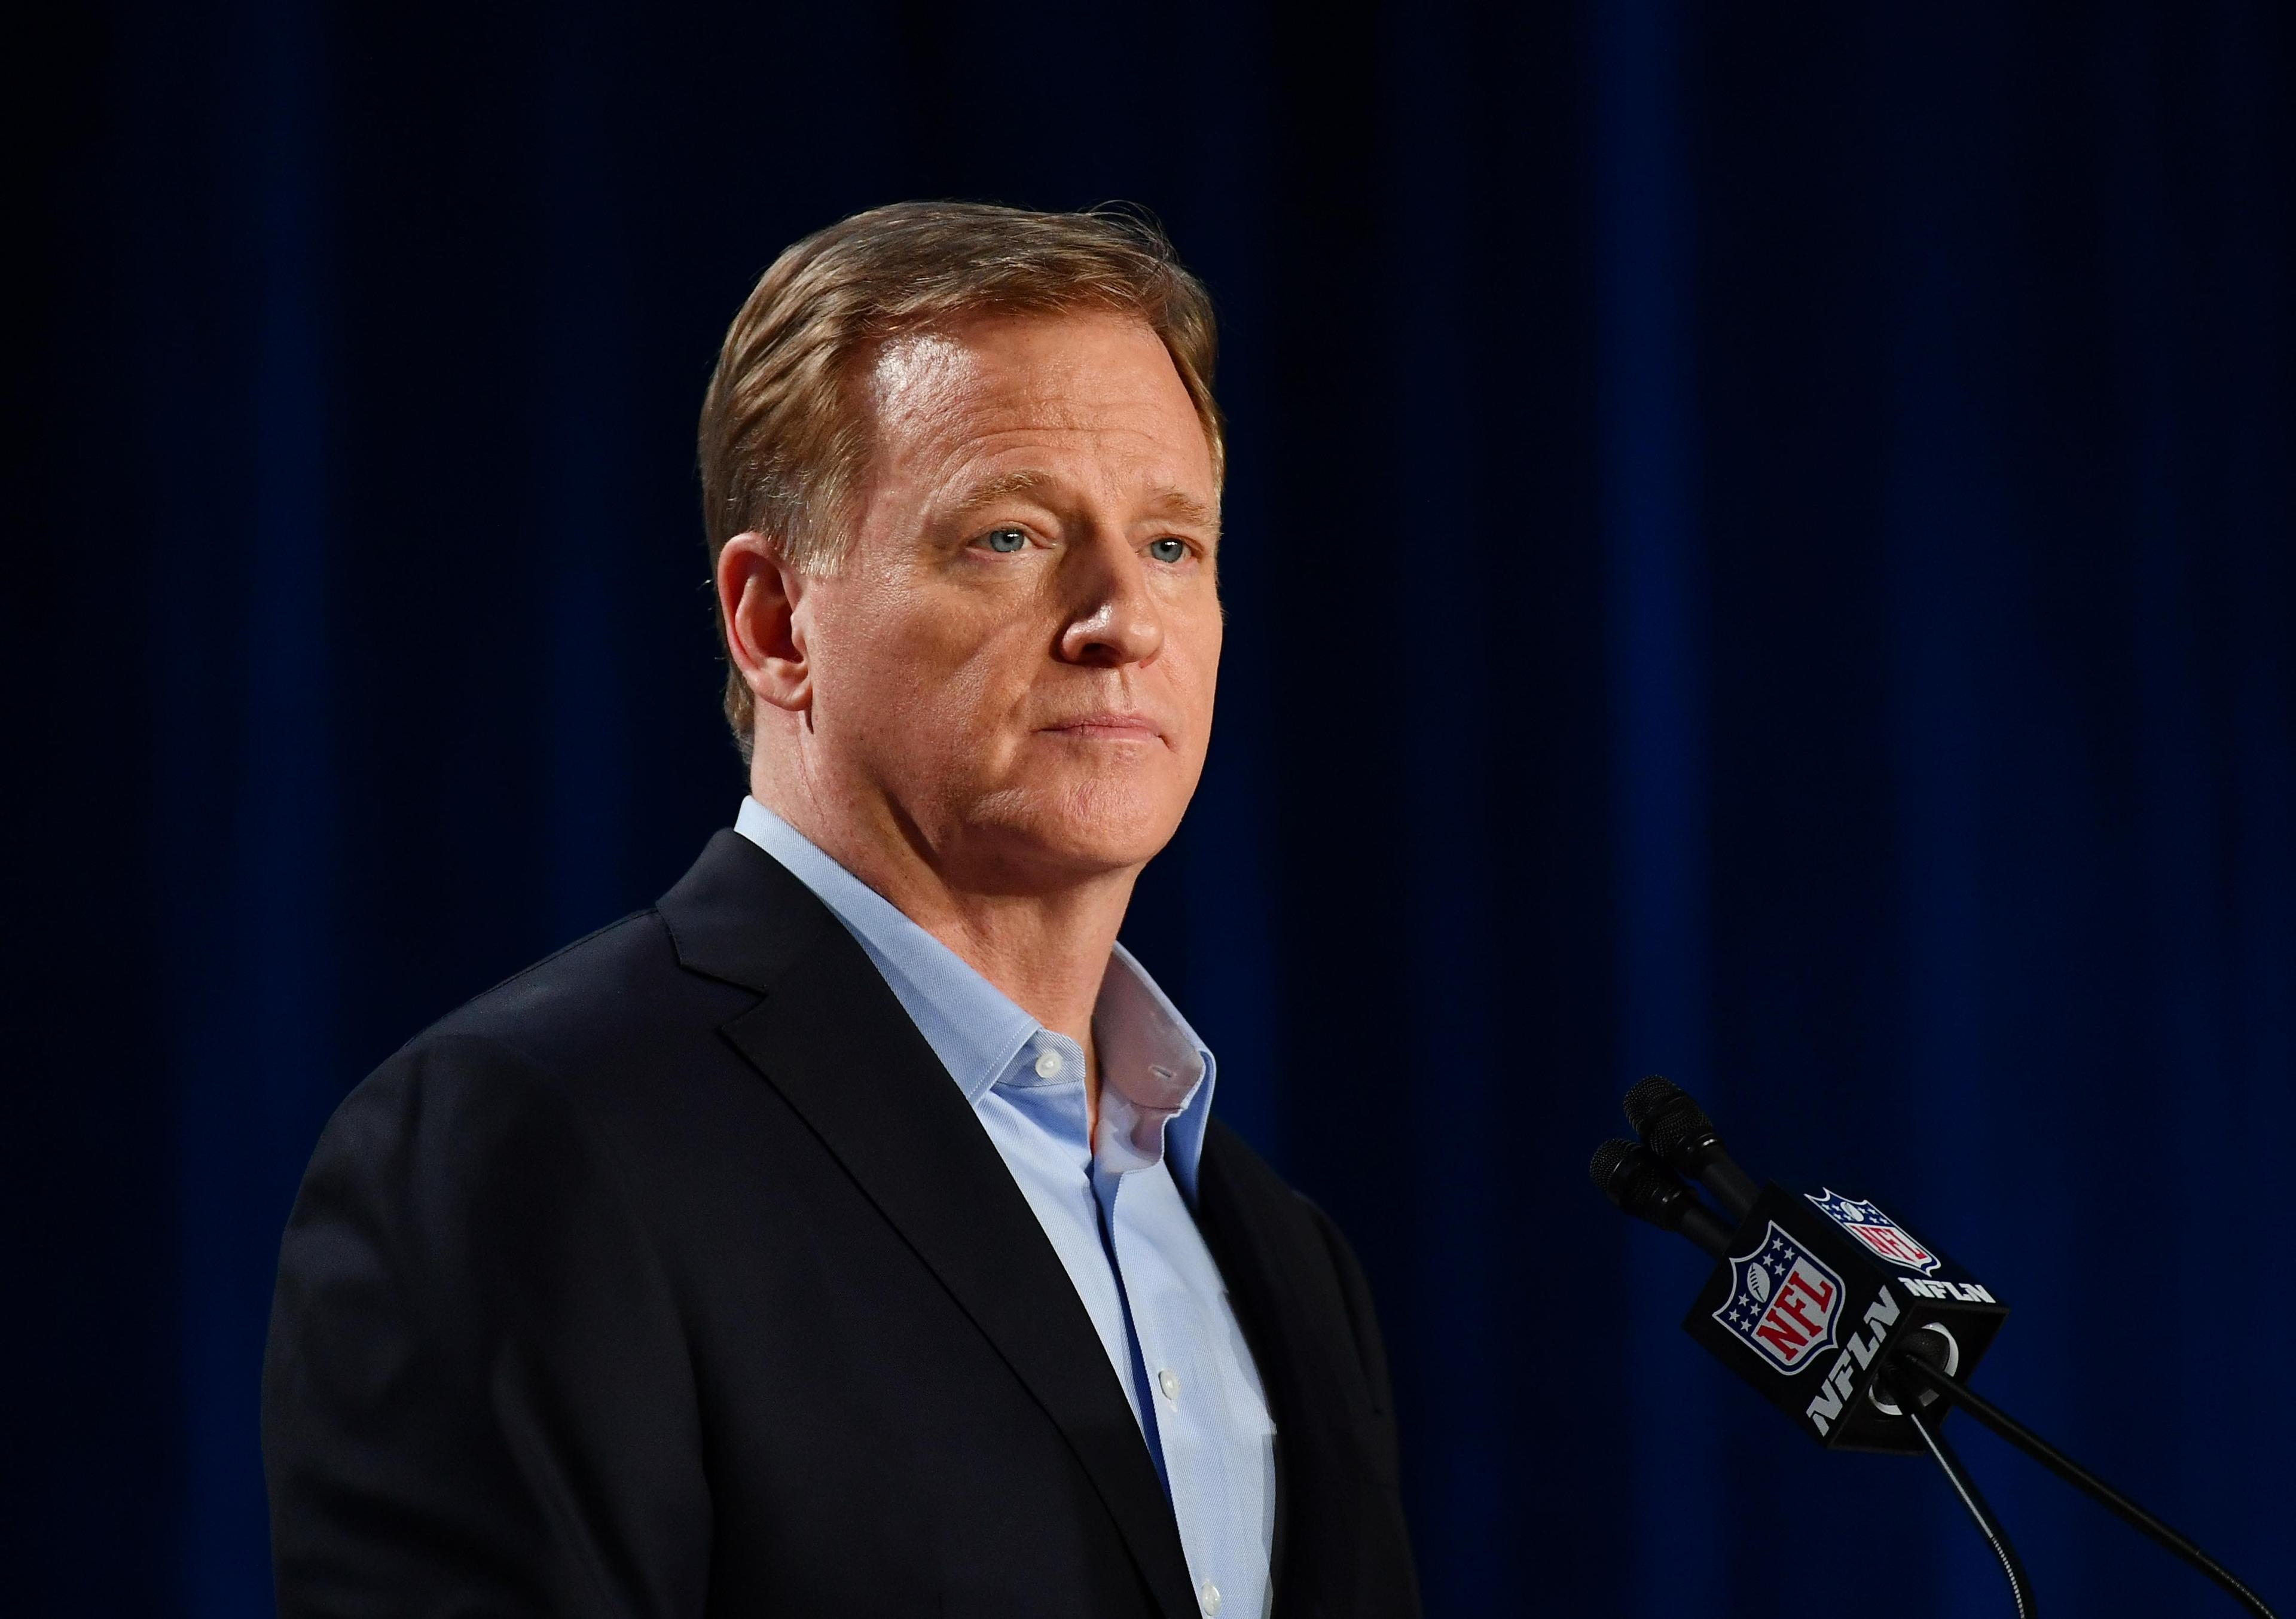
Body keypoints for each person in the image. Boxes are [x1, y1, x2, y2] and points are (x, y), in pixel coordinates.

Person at [262, 201, 1421, 1619]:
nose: (1124, 613)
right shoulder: (528, 1143)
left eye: (1175, 545)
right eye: (1008, 535)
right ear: (773, 622)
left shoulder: (1286, 1256)